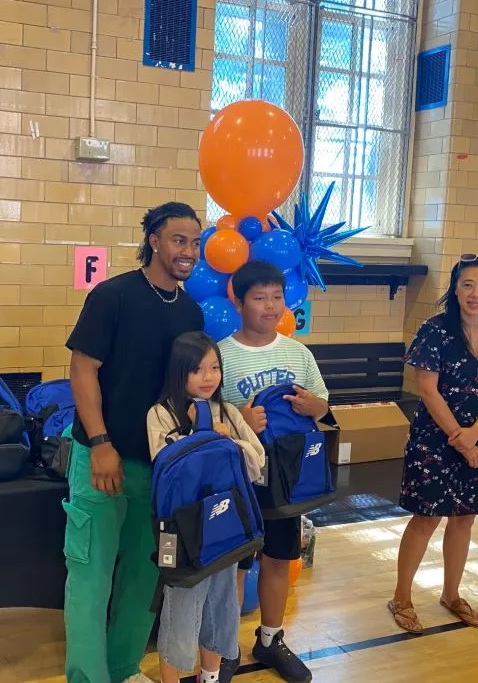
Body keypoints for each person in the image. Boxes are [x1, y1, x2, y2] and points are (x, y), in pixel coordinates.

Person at [63, 202, 204, 683]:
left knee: (144, 577)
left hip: (159, 468)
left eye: (194, 241)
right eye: (178, 240)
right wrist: (101, 443)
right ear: (155, 241)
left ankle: (122, 669)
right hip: (101, 457)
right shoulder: (113, 296)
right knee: (91, 576)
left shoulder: (190, 310)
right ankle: (88, 677)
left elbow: (189, 385)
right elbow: (83, 370)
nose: (188, 250)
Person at [388, 255, 478, 634]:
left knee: (464, 519)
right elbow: (427, 391)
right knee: (426, 518)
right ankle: (402, 597)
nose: (475, 294)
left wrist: (474, 433)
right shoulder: (435, 330)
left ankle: (452, 593)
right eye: (468, 285)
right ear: (455, 288)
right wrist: (462, 441)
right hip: (434, 440)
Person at [217, 261, 329, 683]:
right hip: (239, 480)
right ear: (239, 300)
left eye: (276, 298)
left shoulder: (298, 353)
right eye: (259, 298)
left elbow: (324, 406)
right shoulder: (221, 354)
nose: (269, 307)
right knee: (235, 565)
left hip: (287, 480)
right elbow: (204, 420)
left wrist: (314, 407)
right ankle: (224, 645)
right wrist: (239, 420)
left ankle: (270, 639)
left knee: (280, 558)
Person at [147, 331, 265, 683]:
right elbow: (167, 465)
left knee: (221, 605)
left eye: (215, 367)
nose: (209, 377)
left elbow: (257, 459)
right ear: (179, 372)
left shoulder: (227, 411)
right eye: (197, 369)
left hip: (225, 526)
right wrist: (207, 436)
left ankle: (210, 676)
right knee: (181, 609)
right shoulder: (160, 413)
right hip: (182, 530)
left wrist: (224, 438)